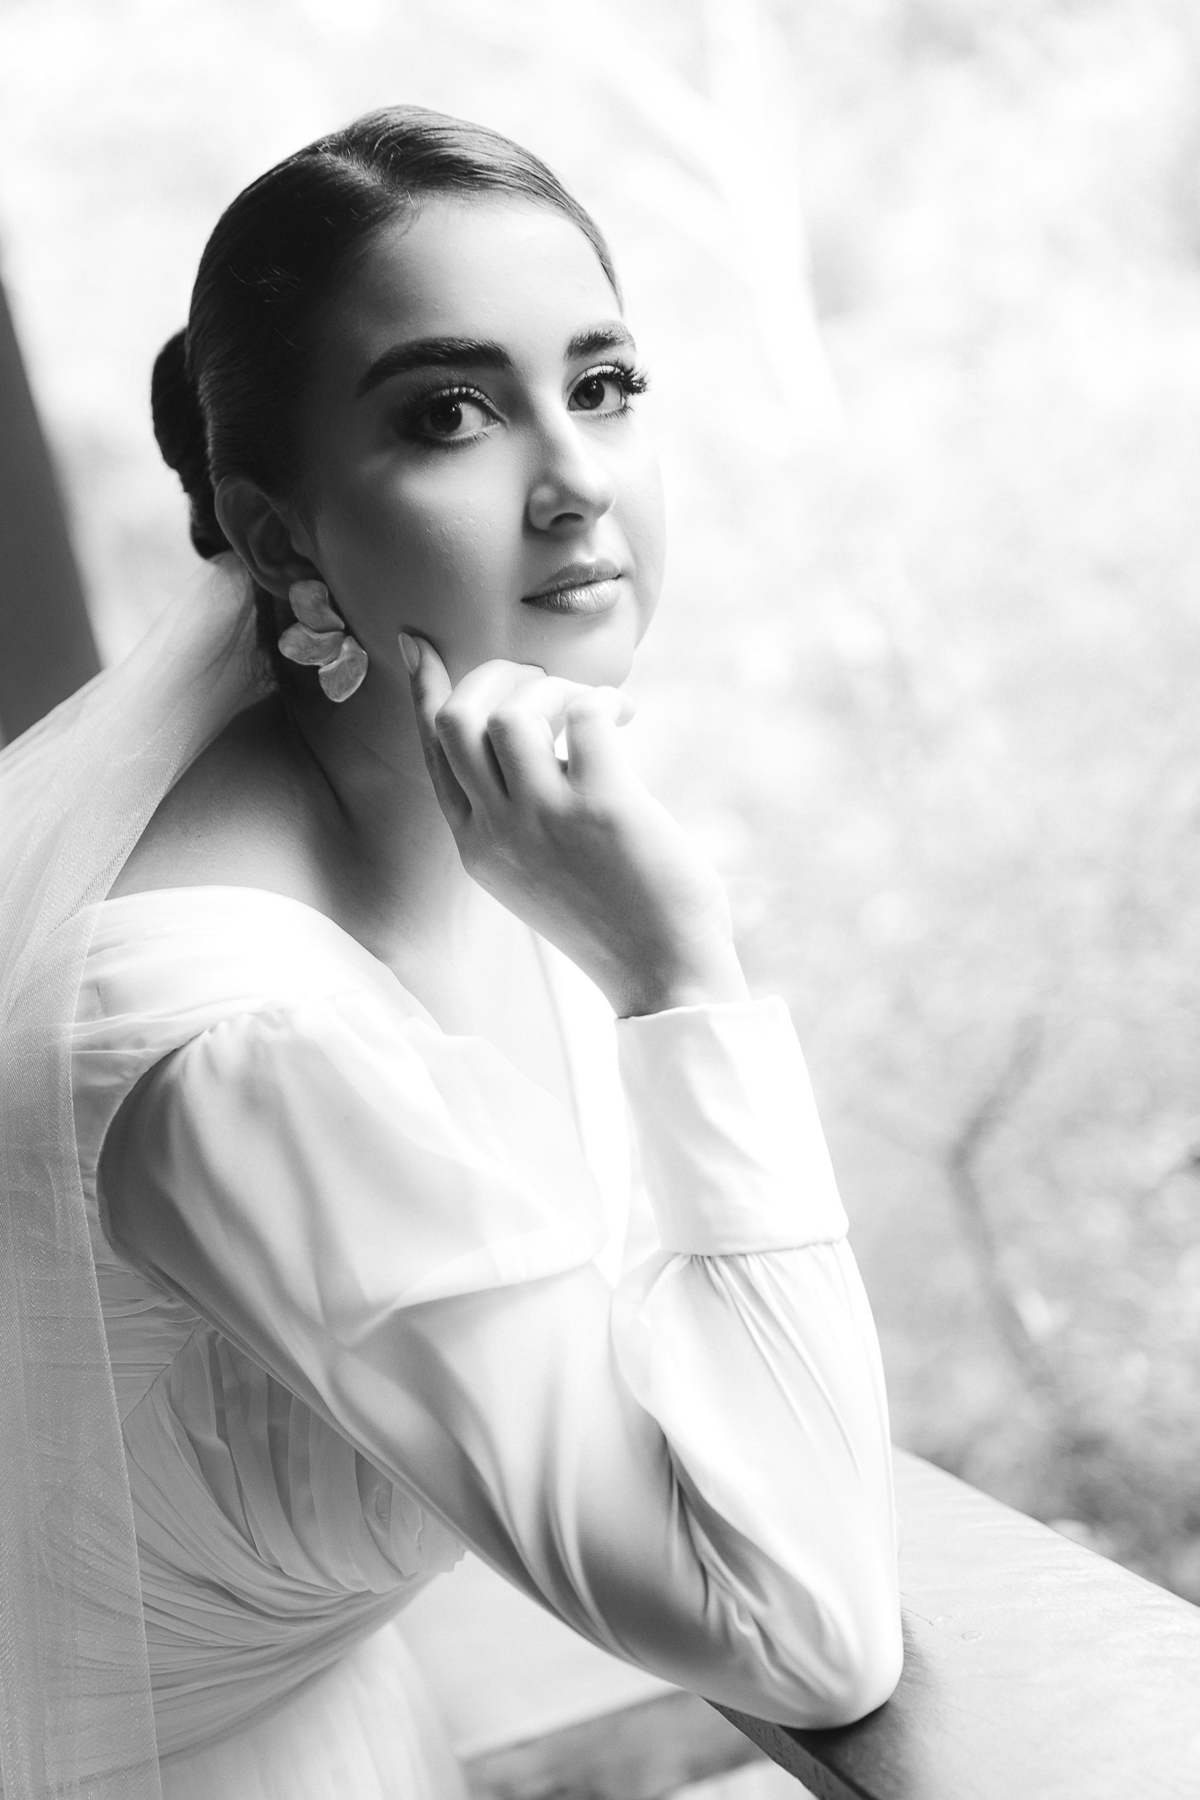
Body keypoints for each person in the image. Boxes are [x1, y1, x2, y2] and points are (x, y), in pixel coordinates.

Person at [0, 106, 902, 1798]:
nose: (575, 482)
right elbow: (806, 1630)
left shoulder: (507, 832)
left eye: (604, 383)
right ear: (282, 539)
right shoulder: (241, 1044)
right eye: (451, 413)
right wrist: (679, 979)